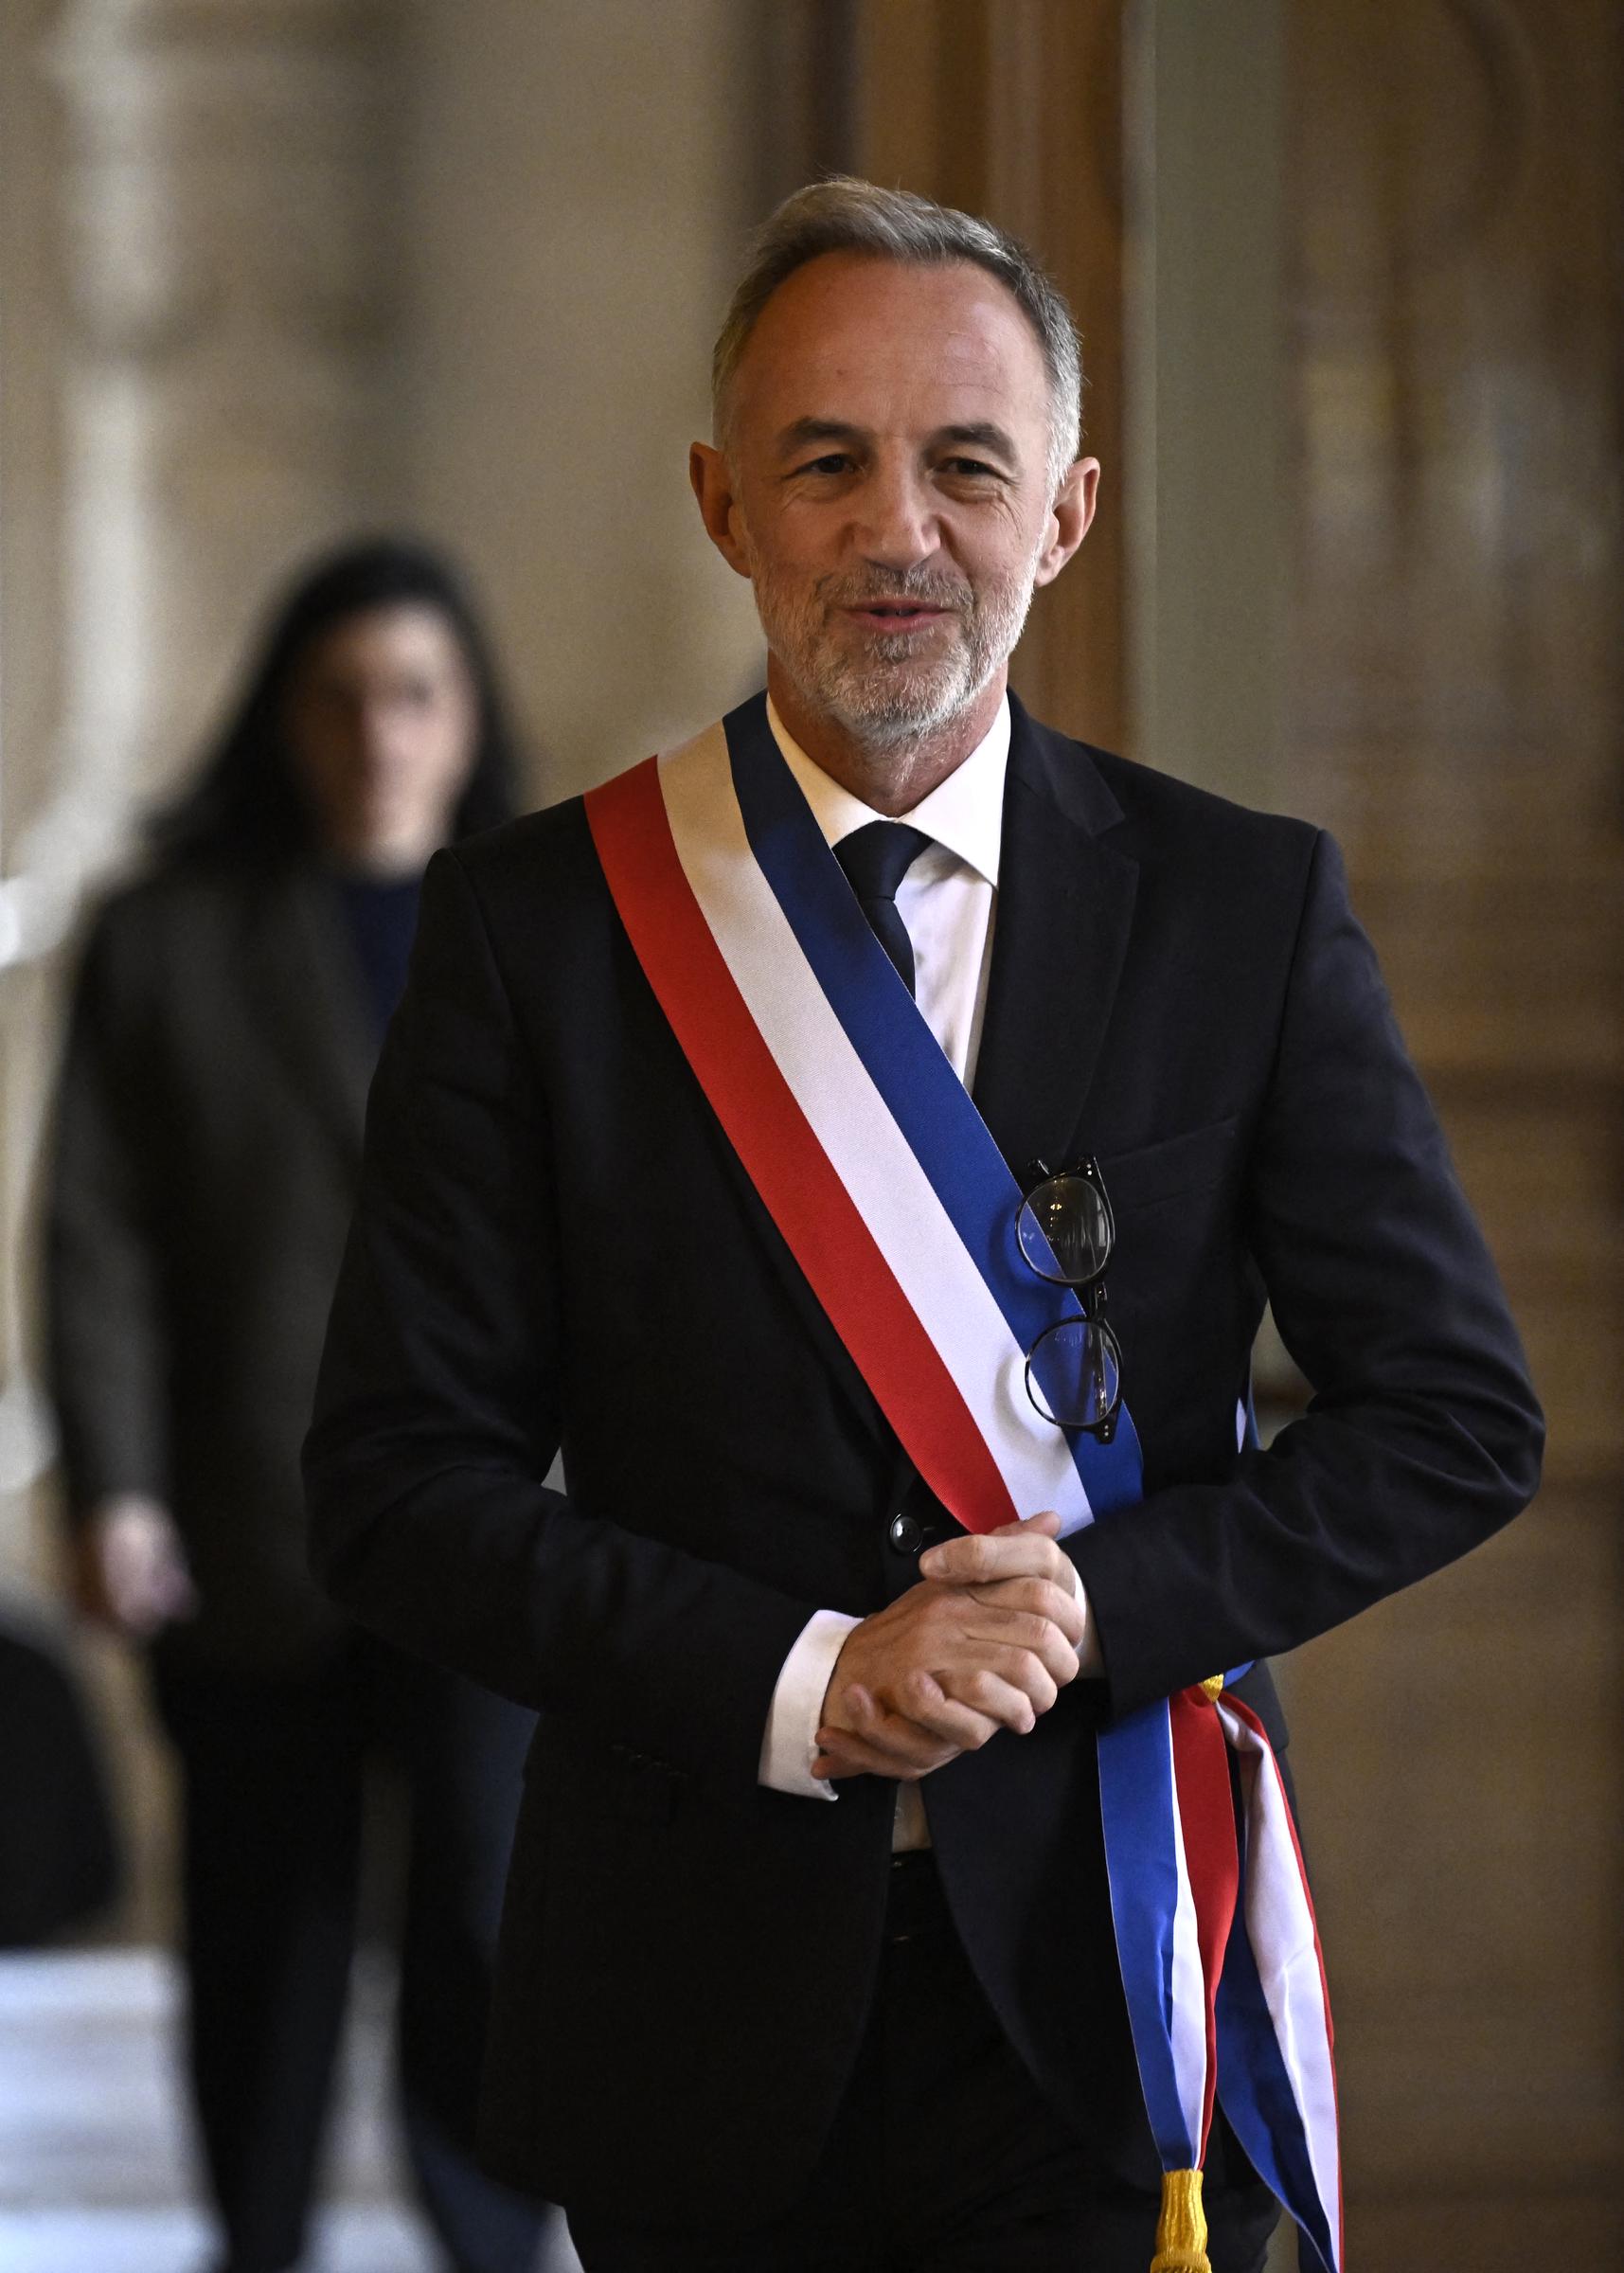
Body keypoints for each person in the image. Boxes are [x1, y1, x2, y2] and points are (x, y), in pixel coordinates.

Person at [304, 186, 1543, 2273]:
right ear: (723, 504)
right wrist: (810, 1683)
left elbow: (1453, 1417)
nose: (899, 531)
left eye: (965, 464)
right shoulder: (543, 933)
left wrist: (1090, 1612)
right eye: (826, 461)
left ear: (1062, 513)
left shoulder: (1239, 910)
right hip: (693, 1998)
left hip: (1111, 1972)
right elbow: (393, 1488)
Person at [46, 537, 562, 2273]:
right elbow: (96, 1232)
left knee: (487, 1925)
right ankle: (251, 2250)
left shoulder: (553, 922)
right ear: (281, 717)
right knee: (265, 1940)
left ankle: (494, 2243)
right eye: (338, 696)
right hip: (247, 1525)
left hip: (498, 1532)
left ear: (467, 717)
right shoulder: (166, 937)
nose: (377, 733)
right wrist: (113, 1490)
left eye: (414, 693)